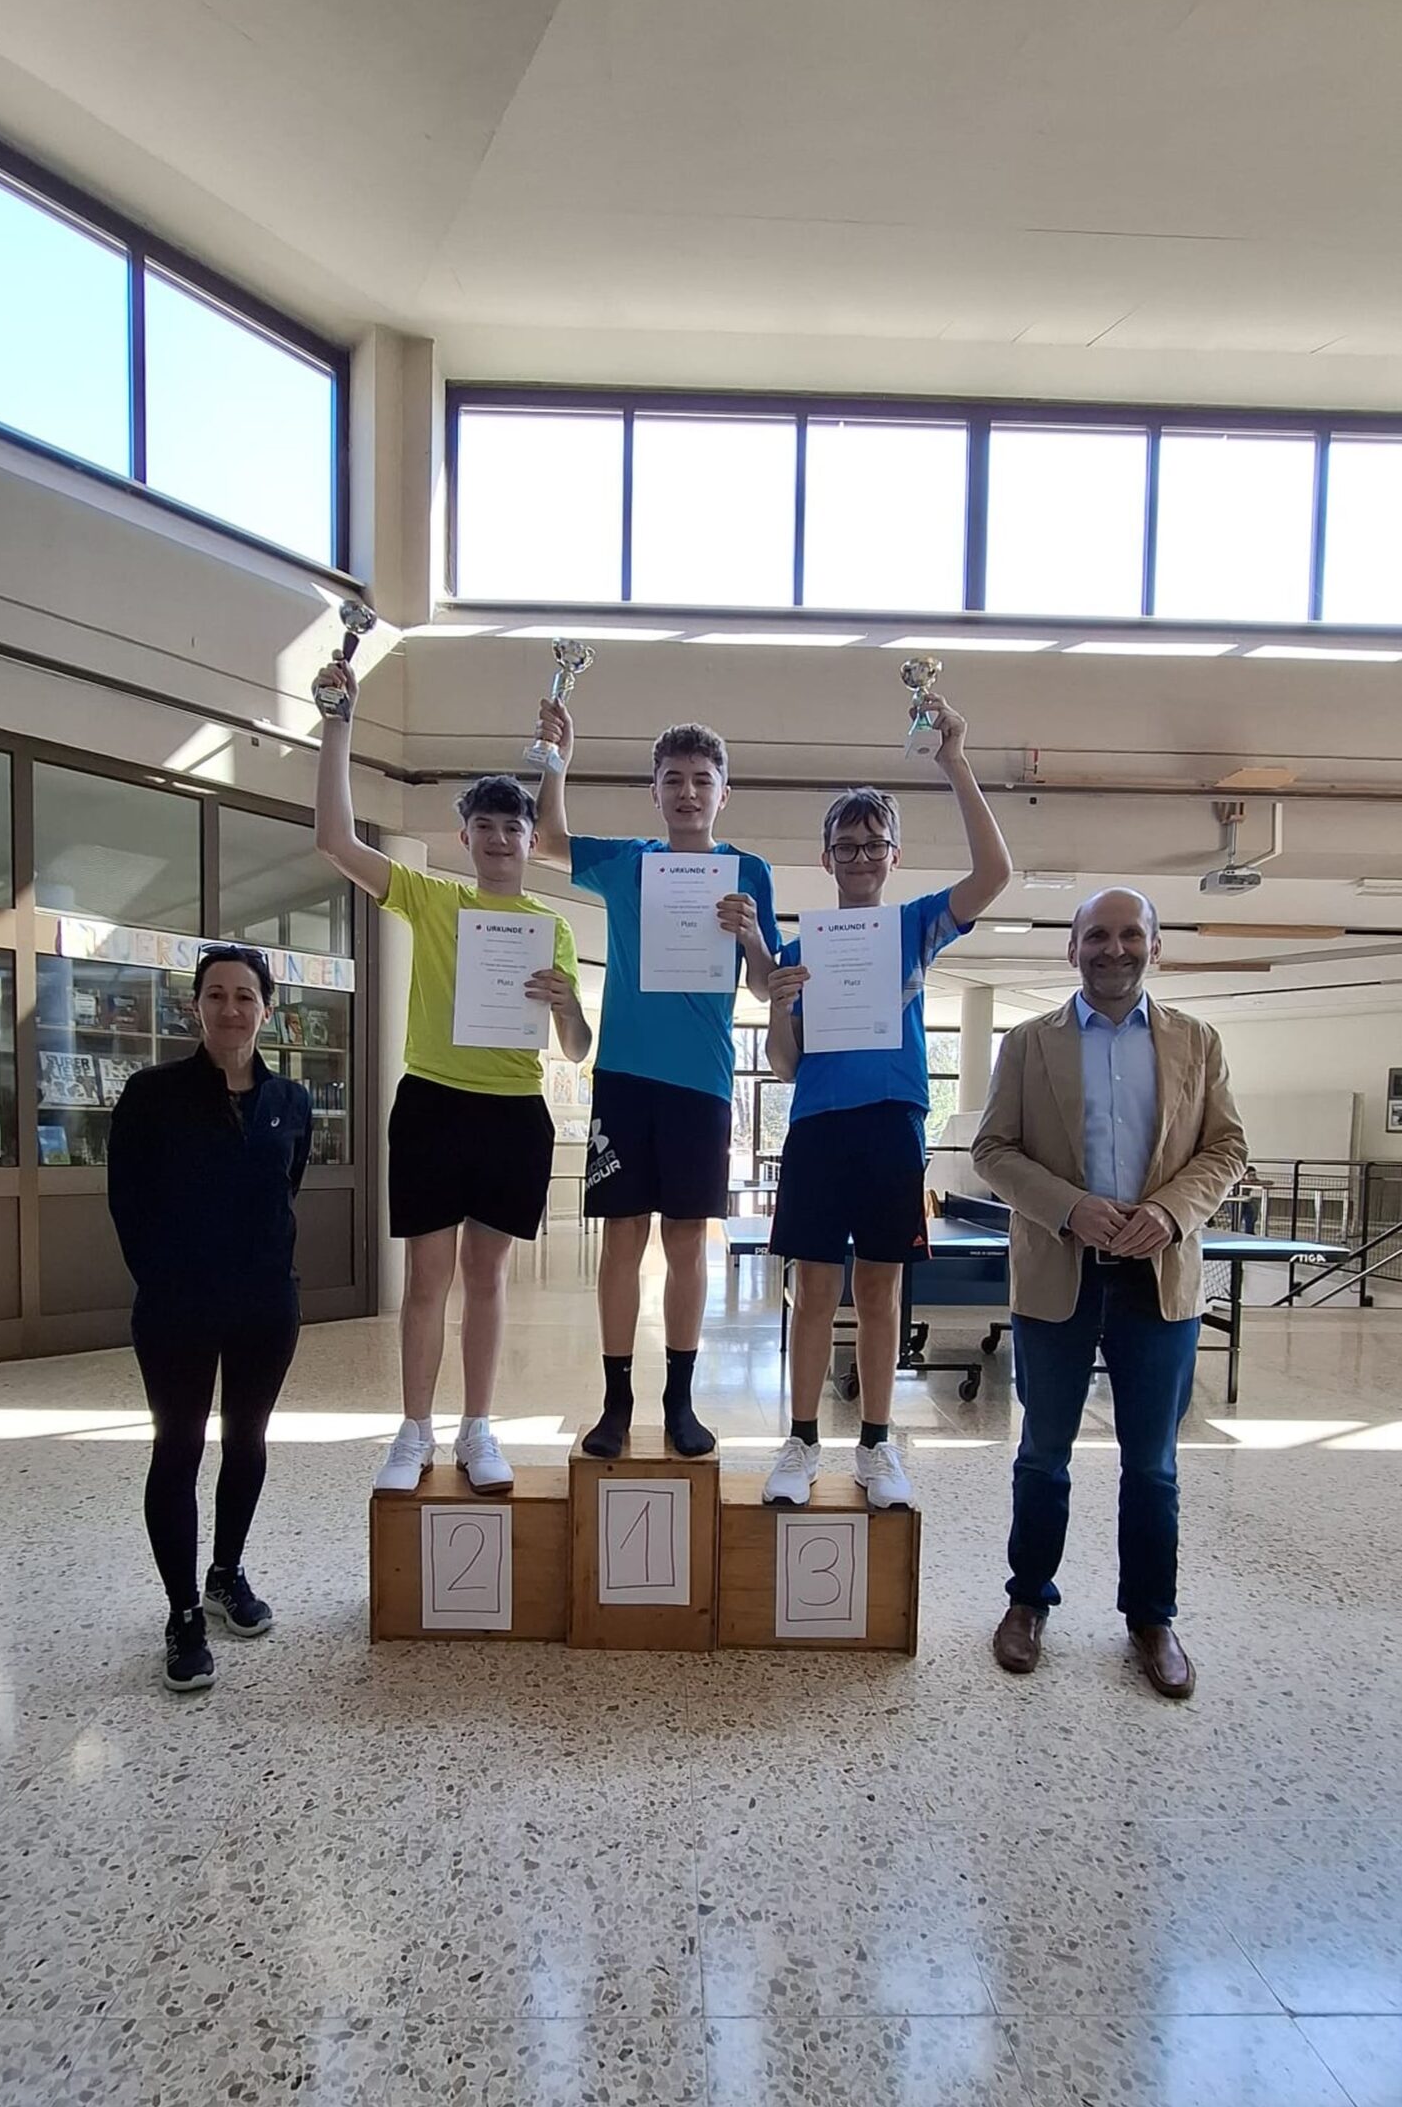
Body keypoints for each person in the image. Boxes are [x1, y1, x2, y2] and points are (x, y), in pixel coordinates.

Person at [313, 655, 590, 1495]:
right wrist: (338, 726)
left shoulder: (551, 926)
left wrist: (565, 1004)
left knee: (487, 1277)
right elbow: (335, 841)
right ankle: (413, 1432)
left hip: (513, 1111)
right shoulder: (430, 898)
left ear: (530, 840)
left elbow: (576, 1046)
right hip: (433, 1104)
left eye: (514, 828)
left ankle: (478, 1429)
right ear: (464, 836)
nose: (501, 839)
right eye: (486, 827)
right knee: (427, 1278)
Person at [973, 887, 1248, 1698]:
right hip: (1057, 1274)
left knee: (1152, 1465)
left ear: (1154, 947)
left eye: (1130, 934)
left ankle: (1151, 1618)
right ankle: (1027, 1601)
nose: (1113, 948)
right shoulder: (1028, 1044)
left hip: (1157, 1281)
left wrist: (1168, 1212)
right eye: (1097, 935)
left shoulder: (1197, 1042)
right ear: (1072, 948)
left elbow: (1225, 1148)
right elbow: (993, 1150)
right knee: (1042, 1455)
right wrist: (1070, 1207)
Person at [761, 693, 1012, 1511]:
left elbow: (994, 876)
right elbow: (785, 1065)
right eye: (846, 845)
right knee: (812, 1291)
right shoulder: (800, 948)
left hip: (891, 1128)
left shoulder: (913, 926)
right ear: (826, 857)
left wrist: (954, 761)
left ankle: (875, 1445)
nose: (860, 856)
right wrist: (778, 1003)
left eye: (873, 844)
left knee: (878, 1292)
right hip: (817, 1128)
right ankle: (801, 1441)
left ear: (893, 855)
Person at [532, 701, 778, 1458]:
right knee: (621, 1238)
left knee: (686, 1242)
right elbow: (547, 841)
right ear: (655, 791)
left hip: (701, 1084)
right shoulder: (629, 862)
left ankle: (679, 1400)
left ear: (723, 792)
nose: (687, 792)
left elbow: (764, 987)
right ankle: (615, 1402)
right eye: (673, 779)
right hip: (625, 1077)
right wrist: (557, 761)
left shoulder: (749, 873)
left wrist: (752, 935)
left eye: (702, 780)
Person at [108, 945, 312, 1695]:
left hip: (266, 1304)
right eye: (217, 995)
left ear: (267, 1010)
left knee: (247, 1441)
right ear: (196, 1007)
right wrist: (165, 1280)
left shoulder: (290, 1100)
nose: (231, 1008)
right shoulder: (151, 1094)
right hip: (178, 1306)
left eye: (245, 996)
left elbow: (286, 1185)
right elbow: (127, 1203)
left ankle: (226, 1574)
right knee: (179, 1448)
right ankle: (184, 1612)